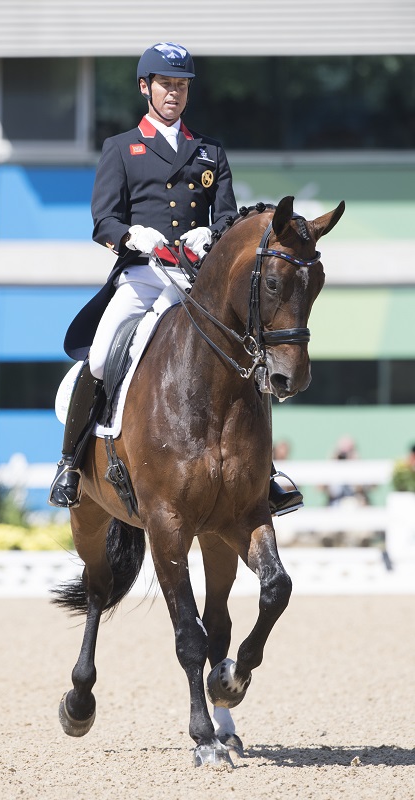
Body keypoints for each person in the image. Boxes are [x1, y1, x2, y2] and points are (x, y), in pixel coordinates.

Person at [49, 42, 302, 517]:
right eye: (166, 84)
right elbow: (102, 221)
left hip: (193, 282)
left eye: (182, 85)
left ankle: (264, 474)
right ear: (146, 87)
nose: (174, 93)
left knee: (246, 362)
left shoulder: (209, 151)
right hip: (143, 278)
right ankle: (70, 464)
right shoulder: (122, 148)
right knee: (101, 358)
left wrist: (211, 234)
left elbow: (226, 219)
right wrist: (131, 237)